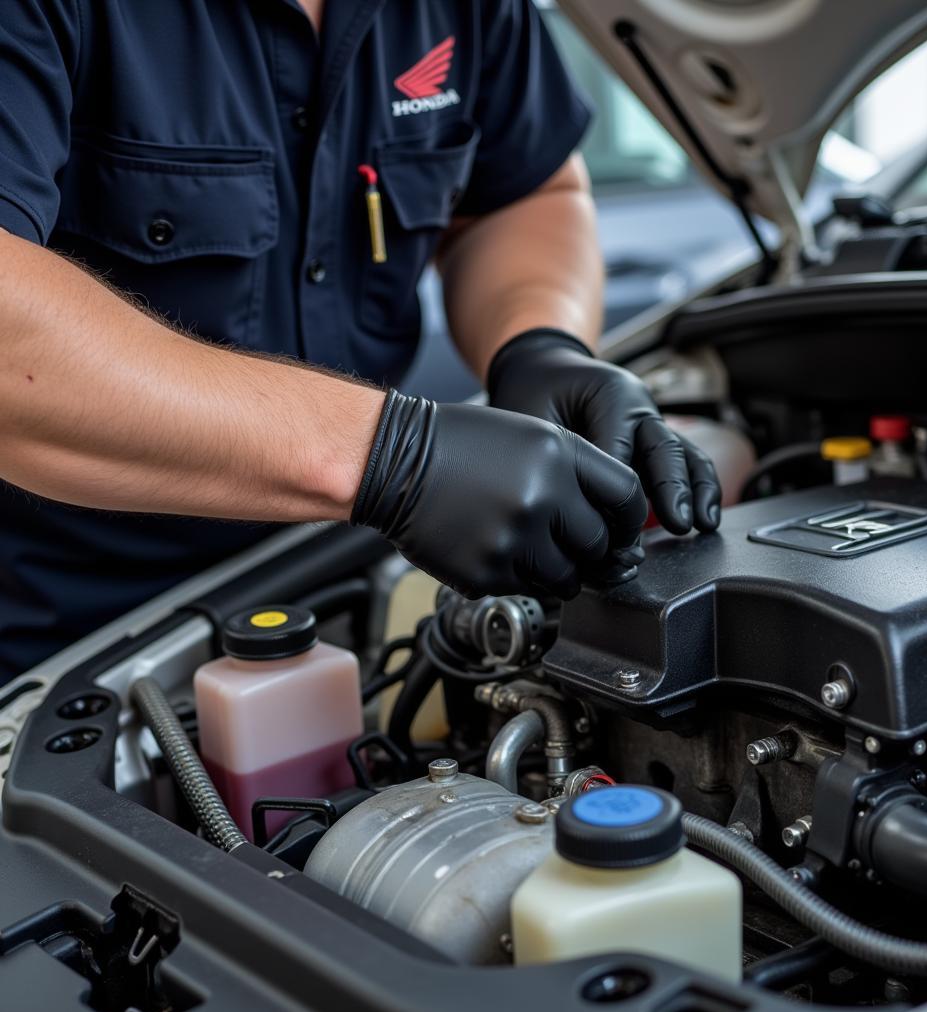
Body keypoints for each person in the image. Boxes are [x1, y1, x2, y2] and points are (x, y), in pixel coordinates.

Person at [0, 0, 721, 682]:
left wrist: (538, 345)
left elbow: (526, 194)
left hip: (337, 582)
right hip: (55, 646)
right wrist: (392, 457)